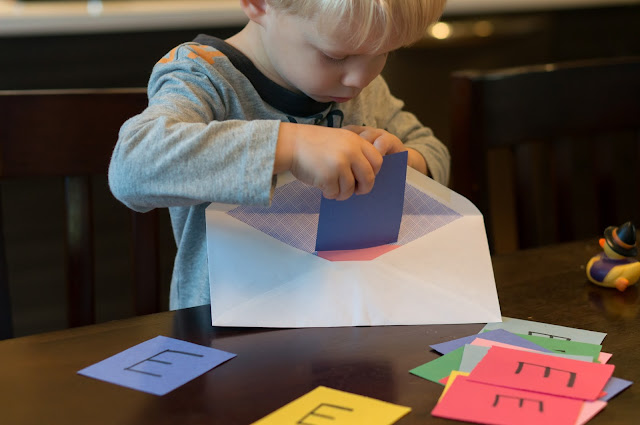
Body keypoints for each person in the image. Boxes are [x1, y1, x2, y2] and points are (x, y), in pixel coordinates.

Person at [109, 0, 451, 310]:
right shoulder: (203, 75)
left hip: (344, 314)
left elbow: (433, 152)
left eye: (383, 53)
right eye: (335, 55)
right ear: (259, 5)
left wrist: (400, 161)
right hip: (221, 330)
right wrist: (291, 145)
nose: (359, 78)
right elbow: (133, 167)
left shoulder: (365, 87)